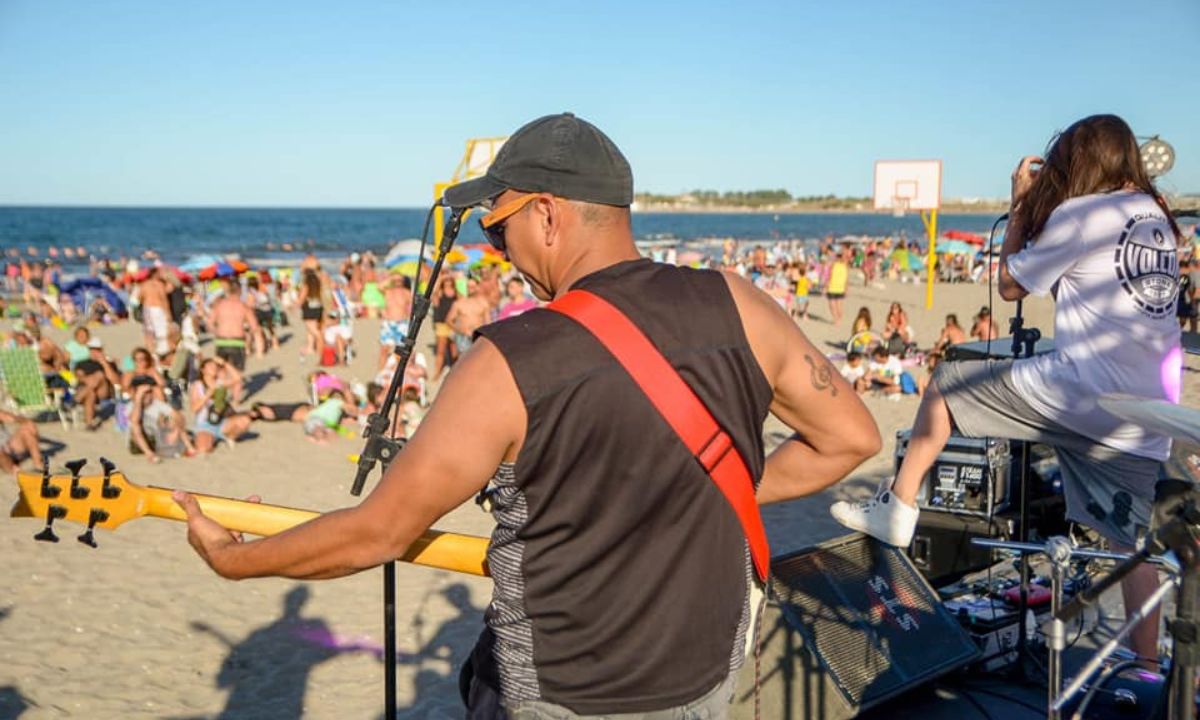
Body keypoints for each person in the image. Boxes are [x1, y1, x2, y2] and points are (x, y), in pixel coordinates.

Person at [174, 112, 880, 716]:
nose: (499, 252)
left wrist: (235, 561)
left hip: (564, 695)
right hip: (705, 682)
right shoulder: (740, 303)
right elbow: (849, 439)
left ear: (546, 213)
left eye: (497, 229)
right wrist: (700, 486)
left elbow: (377, 532)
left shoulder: (508, 361)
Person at [831, 114, 1184, 666]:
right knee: (1129, 547)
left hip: (1082, 391)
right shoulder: (1155, 214)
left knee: (946, 385)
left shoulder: (1081, 213)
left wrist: (1020, 205)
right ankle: (1146, 671)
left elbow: (1011, 285)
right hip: (1146, 409)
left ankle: (897, 507)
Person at [190, 357, 254, 454]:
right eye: (210, 366)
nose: (214, 368)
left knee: (246, 420)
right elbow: (194, 409)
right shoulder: (198, 386)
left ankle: (229, 437)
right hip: (205, 424)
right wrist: (208, 395)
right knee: (203, 449)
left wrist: (225, 363)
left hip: (222, 422)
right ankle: (208, 438)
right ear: (203, 370)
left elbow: (238, 378)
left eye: (215, 366)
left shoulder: (220, 383)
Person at [378, 274, 412, 370]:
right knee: (384, 349)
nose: (398, 281)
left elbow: (412, 307)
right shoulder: (388, 291)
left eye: (400, 280)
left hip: (402, 323)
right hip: (388, 323)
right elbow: (379, 286)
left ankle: (400, 372)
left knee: (400, 351)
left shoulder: (407, 293)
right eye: (396, 280)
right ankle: (382, 373)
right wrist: (392, 278)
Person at [0, 409, 44, 475]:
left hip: (10, 446)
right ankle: (13, 469)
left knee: (27, 428)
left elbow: (12, 418)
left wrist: (29, 424)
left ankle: (38, 464)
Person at [297, 269, 325, 362]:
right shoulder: (317, 284)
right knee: (310, 330)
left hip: (309, 309)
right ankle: (310, 348)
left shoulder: (306, 285)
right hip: (318, 307)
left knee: (313, 330)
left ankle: (320, 348)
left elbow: (302, 297)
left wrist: (296, 305)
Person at [825, 245, 850, 324]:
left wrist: (846, 288)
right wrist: (826, 285)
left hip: (839, 288)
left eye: (839, 256)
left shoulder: (844, 266)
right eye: (838, 256)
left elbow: (846, 279)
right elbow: (829, 276)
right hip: (832, 287)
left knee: (838, 306)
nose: (838, 258)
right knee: (832, 305)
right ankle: (836, 319)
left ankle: (839, 319)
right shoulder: (833, 265)